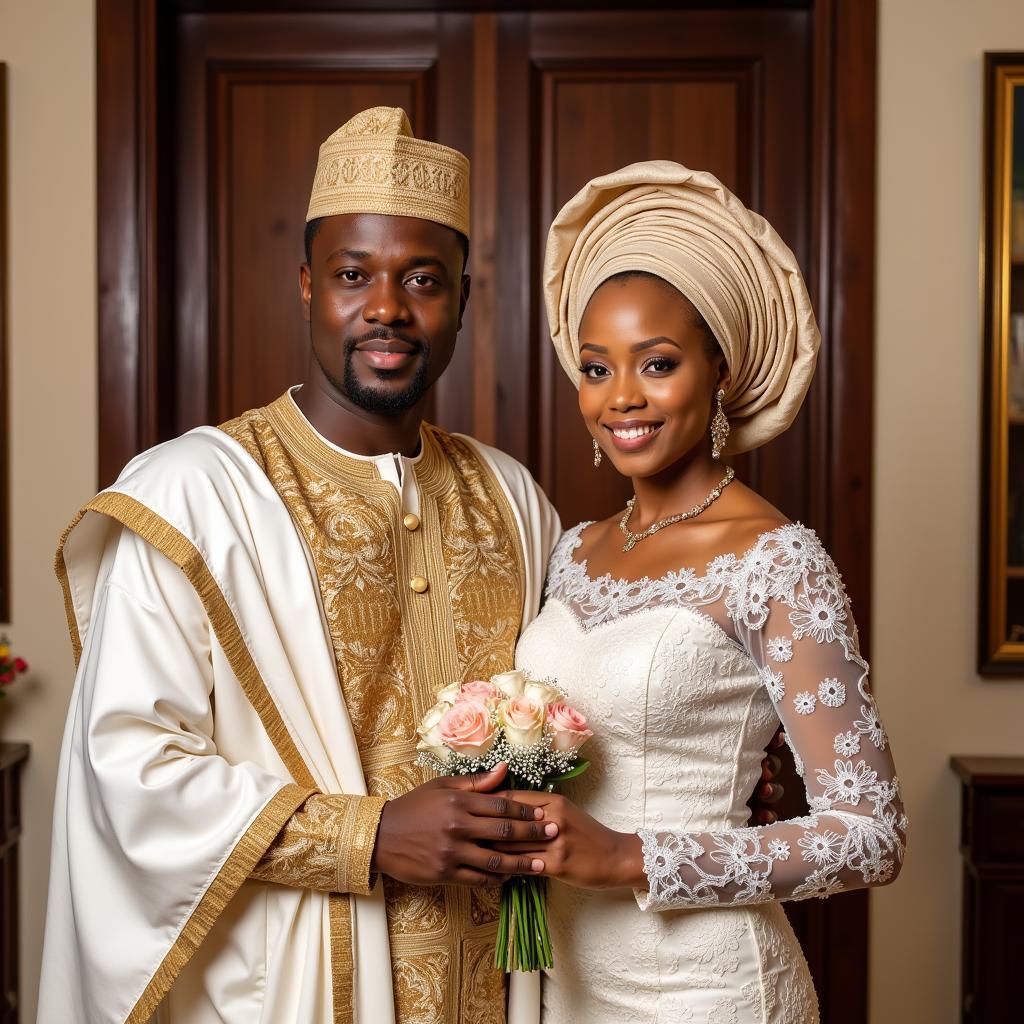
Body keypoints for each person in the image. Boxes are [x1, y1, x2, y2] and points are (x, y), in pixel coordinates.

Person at [39, 111, 783, 1023]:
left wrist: (738, 740)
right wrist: (371, 832)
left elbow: (594, 695)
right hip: (293, 983)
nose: (387, 307)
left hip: (506, 980)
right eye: (354, 275)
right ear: (308, 286)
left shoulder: (509, 496)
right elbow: (129, 770)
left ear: (463, 300)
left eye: (422, 279)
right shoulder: (194, 495)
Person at [498, 162, 908, 1023]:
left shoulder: (775, 560)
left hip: (707, 991)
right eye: (596, 368)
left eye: (657, 364)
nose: (621, 400)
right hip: (562, 982)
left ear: (719, 370)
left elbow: (870, 835)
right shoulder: (572, 551)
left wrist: (627, 859)